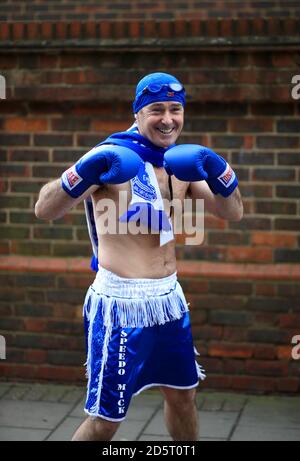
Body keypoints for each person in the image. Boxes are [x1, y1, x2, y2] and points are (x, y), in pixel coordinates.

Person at [35, 72, 243, 441]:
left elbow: (232, 212)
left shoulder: (181, 162)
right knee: (106, 418)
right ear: (138, 112)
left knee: (183, 396)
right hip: (120, 304)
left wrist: (220, 172)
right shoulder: (111, 155)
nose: (168, 119)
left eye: (175, 110)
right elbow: (45, 209)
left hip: (169, 301)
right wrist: (81, 173)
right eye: (157, 109)